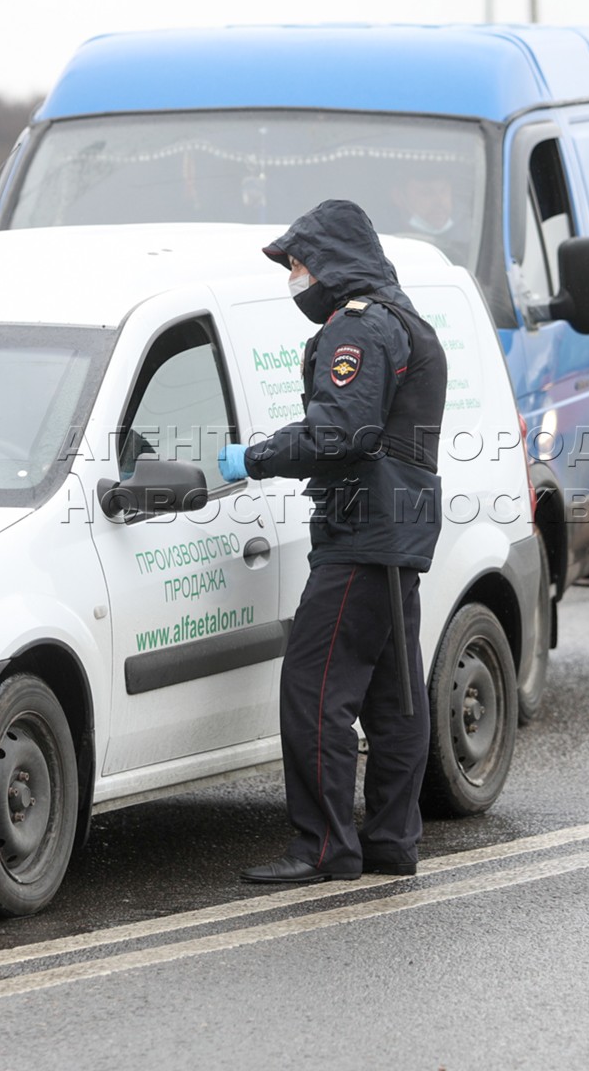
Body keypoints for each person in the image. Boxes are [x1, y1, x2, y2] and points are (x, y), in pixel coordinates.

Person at [217, 198, 448, 883]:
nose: (294, 278)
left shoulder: (360, 331)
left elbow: (338, 432)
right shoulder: (403, 322)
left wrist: (251, 458)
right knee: (394, 696)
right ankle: (390, 841)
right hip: (394, 537)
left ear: (330, 264)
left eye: (297, 264)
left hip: (361, 536)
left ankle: (323, 847)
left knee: (315, 689)